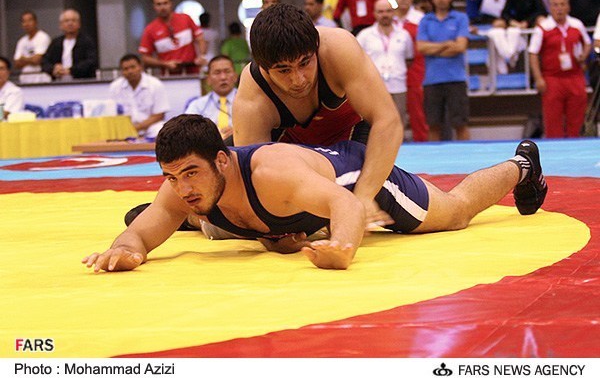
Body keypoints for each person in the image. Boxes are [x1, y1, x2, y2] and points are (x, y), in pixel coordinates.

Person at [82, 115, 548, 272]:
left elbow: (346, 203)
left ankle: (523, 165)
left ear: (222, 160)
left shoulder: (271, 173)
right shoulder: (179, 188)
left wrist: (343, 246)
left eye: (189, 174)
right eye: (171, 177)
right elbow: (138, 234)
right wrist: (125, 251)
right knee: (175, 215)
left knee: (455, 212)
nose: (182, 188)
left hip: (353, 178)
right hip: (301, 211)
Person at [233, 3, 402, 225]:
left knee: (438, 211)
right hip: (293, 159)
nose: (298, 79)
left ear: (316, 47)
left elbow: (387, 120)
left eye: (305, 62)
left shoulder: (338, 47)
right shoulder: (253, 95)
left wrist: (363, 196)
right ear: (264, 68)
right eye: (284, 70)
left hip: (351, 143)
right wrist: (280, 234)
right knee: (224, 181)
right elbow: (252, 180)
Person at [528, 0, 592, 138]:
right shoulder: (542, 28)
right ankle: (554, 148)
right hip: (552, 79)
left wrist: (584, 56)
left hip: (575, 77)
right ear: (550, 7)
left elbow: (588, 43)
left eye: (562, 4)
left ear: (568, 7)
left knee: (577, 119)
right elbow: (533, 53)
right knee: (553, 120)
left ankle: (576, 146)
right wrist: (538, 78)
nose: (559, 8)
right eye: (555, 5)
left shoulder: (577, 24)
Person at [417, 0, 471, 141]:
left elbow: (460, 46)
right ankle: (433, 156)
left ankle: (468, 153)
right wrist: (447, 44)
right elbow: (421, 48)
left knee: (461, 124)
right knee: (433, 124)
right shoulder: (425, 20)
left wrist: (433, 48)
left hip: (456, 79)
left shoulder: (460, 18)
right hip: (432, 80)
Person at [357, 0, 413, 128]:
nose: (385, 15)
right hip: (374, 87)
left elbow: (409, 59)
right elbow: (357, 60)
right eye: (380, 11)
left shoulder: (404, 35)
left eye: (388, 11)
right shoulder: (364, 36)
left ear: (394, 12)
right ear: (374, 13)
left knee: (399, 124)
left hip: (398, 86)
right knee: (375, 124)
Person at [487, 0, 547, 73]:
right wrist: (512, 22)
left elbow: (541, 11)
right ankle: (504, 53)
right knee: (497, 23)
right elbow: (504, 13)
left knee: (542, 20)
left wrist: (527, 22)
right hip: (516, 23)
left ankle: (542, 45)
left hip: (531, 22)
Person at [392, 0, 429, 142]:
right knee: (393, 114)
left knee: (417, 112)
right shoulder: (388, 18)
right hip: (393, 70)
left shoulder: (420, 19)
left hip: (416, 69)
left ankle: (421, 143)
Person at [139, 0, 207, 75]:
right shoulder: (149, 30)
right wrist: (164, 64)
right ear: (154, 6)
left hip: (192, 72)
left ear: (171, 3)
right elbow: (145, 58)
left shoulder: (185, 19)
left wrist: (202, 56)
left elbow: (200, 39)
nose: (163, 7)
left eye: (165, 3)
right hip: (168, 75)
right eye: (159, 4)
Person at [109, 54, 169, 138]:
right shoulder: (115, 87)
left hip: (150, 127)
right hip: (124, 128)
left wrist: (136, 128)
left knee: (160, 130)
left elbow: (159, 115)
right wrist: (126, 129)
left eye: (133, 67)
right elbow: (112, 113)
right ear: (122, 71)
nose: (130, 71)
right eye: (126, 69)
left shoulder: (155, 84)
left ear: (141, 67)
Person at [185, 55, 237, 140]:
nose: (223, 77)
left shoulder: (249, 101)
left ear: (235, 76)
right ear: (208, 79)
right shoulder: (197, 105)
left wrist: (238, 132)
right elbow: (187, 131)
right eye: (217, 73)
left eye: (227, 71)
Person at [41, 9, 98, 80]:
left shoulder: (86, 42)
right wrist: (54, 69)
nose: (70, 23)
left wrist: (71, 70)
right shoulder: (55, 43)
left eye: (73, 20)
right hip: (59, 82)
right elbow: (45, 62)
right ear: (61, 25)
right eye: (66, 21)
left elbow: (91, 61)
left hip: (82, 82)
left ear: (79, 24)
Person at [12, 10, 51, 84]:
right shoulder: (21, 41)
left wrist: (23, 59)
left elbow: (37, 60)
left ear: (36, 22)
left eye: (29, 21)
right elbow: (16, 64)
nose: (27, 24)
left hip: (41, 78)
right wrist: (31, 59)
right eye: (24, 21)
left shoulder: (43, 37)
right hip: (25, 79)